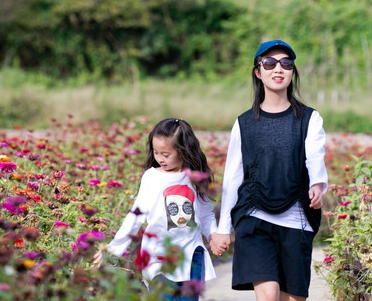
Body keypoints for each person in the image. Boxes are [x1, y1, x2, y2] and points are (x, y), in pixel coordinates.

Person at [210, 39, 328, 301]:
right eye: (270, 63)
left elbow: (315, 156)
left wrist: (317, 185)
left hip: (296, 219)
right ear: (258, 72)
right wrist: (223, 228)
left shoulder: (309, 118)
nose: (278, 69)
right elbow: (233, 177)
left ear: (292, 71)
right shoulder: (243, 123)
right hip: (254, 217)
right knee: (269, 295)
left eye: (286, 63)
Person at [96, 118, 219, 300]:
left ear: (183, 151)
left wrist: (214, 236)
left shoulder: (194, 178)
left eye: (166, 154)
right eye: (156, 152)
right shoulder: (152, 177)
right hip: (158, 256)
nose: (160, 158)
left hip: (191, 255)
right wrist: (112, 249)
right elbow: (135, 217)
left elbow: (205, 213)